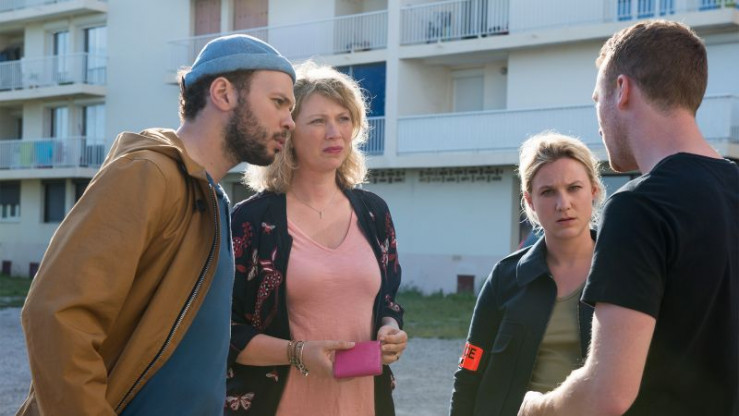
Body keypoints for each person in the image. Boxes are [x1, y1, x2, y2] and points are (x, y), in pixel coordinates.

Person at [16, 34, 296, 416]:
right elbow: (57, 314)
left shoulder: (211, 198)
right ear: (223, 93)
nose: (289, 121)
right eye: (278, 102)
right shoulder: (147, 174)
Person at [518, 20, 738, 416]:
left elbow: (607, 393)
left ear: (622, 90)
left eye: (597, 98)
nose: (598, 120)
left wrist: (538, 407)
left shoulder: (638, 207)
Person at [226, 62, 407, 415]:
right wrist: (297, 353)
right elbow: (225, 332)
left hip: (363, 405)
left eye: (343, 119)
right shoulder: (250, 221)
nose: (334, 133)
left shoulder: (375, 213)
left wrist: (390, 330)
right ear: (289, 131)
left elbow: (388, 301)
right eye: (318, 121)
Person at [449, 132, 605, 416]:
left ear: (593, 190)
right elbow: (469, 371)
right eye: (548, 192)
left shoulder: (621, 270)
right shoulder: (506, 277)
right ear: (530, 201)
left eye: (574, 188)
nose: (563, 203)